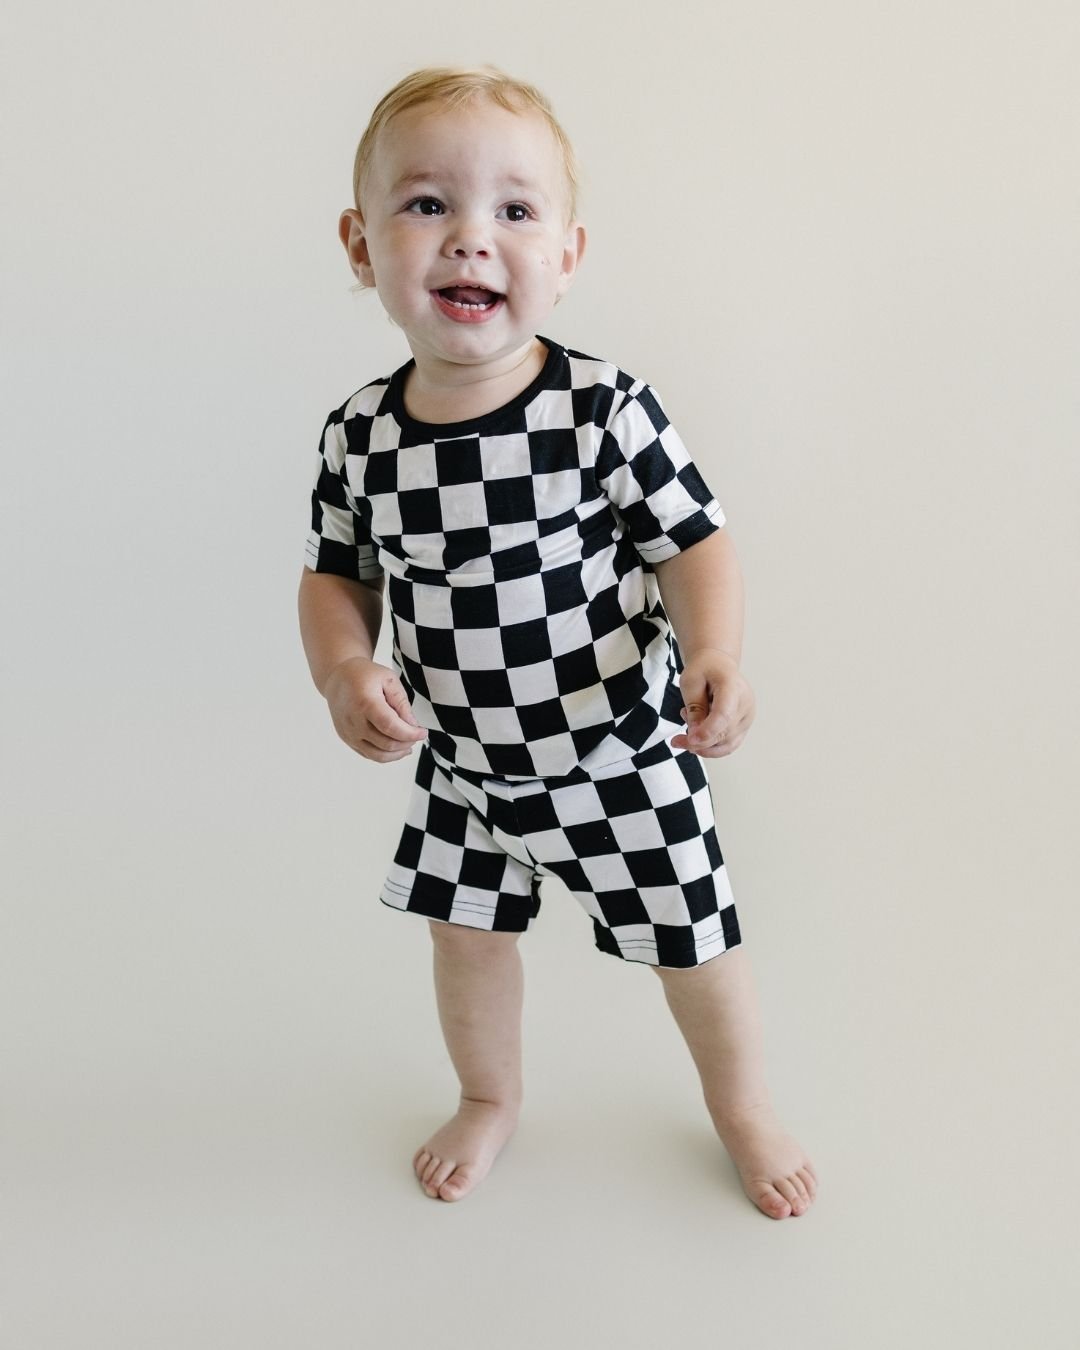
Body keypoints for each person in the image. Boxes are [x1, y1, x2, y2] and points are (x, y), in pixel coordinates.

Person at [298, 65, 817, 1219]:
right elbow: (336, 574)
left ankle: (742, 1105)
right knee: (465, 941)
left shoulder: (600, 409)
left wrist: (715, 650)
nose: (471, 240)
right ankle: (490, 1095)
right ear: (360, 242)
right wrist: (343, 666)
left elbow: (695, 543)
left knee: (694, 943)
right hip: (467, 766)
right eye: (427, 204)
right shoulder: (361, 436)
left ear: (568, 255)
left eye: (515, 212)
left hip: (618, 751)